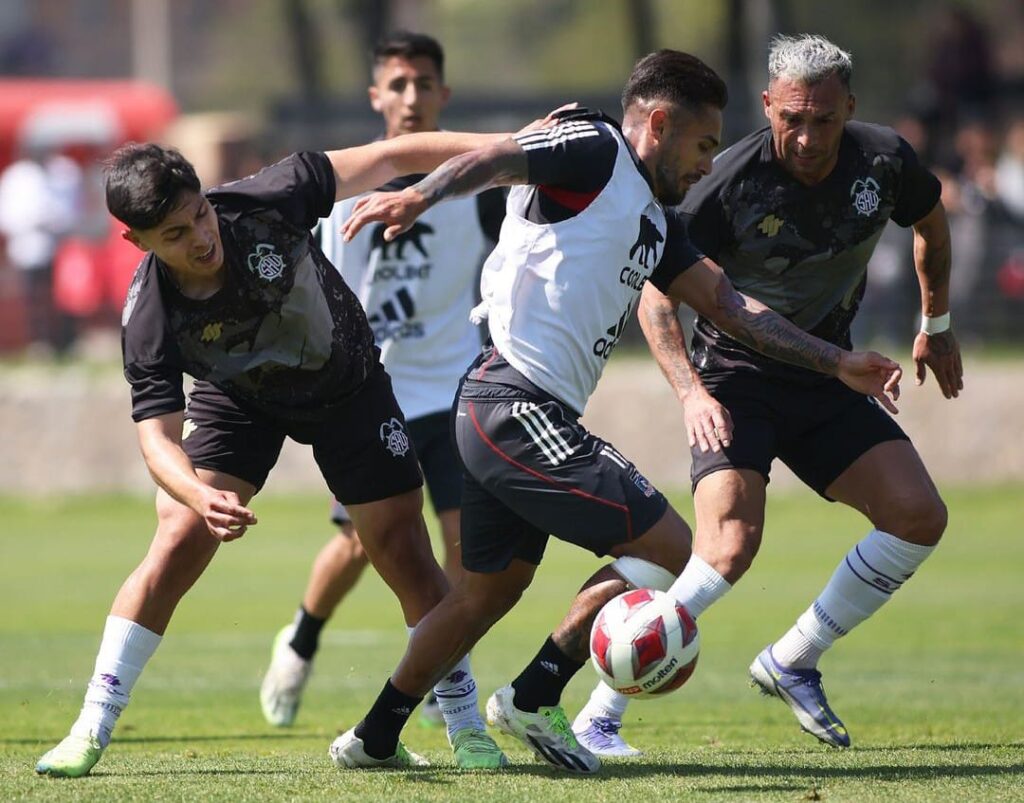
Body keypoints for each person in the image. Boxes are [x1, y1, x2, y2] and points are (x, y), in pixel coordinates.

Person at [329, 49, 902, 774]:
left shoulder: (655, 220)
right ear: (658, 124)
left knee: (487, 591)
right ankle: (535, 694)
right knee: (668, 545)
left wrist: (835, 360)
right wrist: (421, 196)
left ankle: (374, 735)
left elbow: (727, 304)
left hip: (512, 410)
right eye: (701, 145)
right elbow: (498, 158)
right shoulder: (594, 149)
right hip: (511, 401)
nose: (707, 163)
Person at [32, 124, 540, 778]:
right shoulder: (150, 314)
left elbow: (390, 156)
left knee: (402, 549)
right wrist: (197, 492)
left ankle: (466, 725)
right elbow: (157, 440)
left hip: (347, 386)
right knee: (177, 536)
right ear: (138, 243)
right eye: (176, 237)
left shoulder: (271, 195)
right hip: (238, 397)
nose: (201, 239)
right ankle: (90, 727)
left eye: (199, 216)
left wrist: (516, 143)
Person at [572, 34, 959, 755]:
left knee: (918, 515)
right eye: (791, 119)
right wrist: (691, 393)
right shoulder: (725, 182)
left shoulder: (884, 160)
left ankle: (793, 659)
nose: (807, 138)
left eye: (824, 119)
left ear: (850, 107)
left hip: (826, 374)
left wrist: (934, 321)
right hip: (733, 380)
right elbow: (657, 299)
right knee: (728, 545)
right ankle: (600, 713)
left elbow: (930, 223)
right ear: (767, 106)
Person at [259, 32, 504, 733]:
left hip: (454, 389)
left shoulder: (478, 185)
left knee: (465, 551)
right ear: (376, 96)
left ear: (444, 95)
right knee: (364, 543)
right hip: (376, 392)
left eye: (424, 83)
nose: (411, 96)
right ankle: (300, 641)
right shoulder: (346, 186)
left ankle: (434, 680)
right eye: (397, 84)